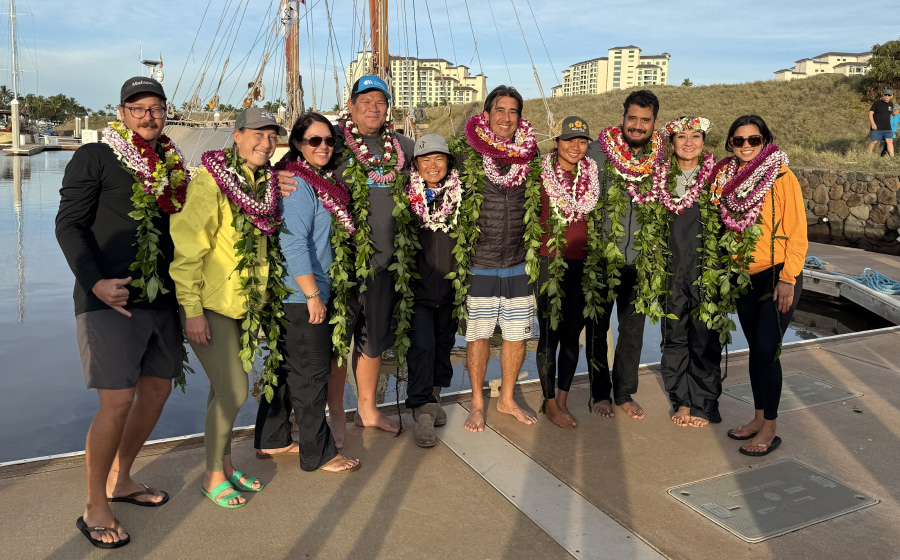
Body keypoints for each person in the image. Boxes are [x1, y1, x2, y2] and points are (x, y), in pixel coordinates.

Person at [57, 76, 187, 549]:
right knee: (116, 402)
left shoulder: (173, 162)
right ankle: (95, 504)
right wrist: (94, 281)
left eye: (156, 107)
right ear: (122, 113)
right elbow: (69, 224)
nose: (148, 116)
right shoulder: (95, 156)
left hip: (163, 299)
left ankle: (122, 478)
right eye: (138, 109)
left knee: (156, 391)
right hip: (108, 298)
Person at [170, 107, 290, 507]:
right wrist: (191, 310)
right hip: (210, 305)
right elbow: (187, 249)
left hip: (245, 306)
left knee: (221, 390)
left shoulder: (262, 183)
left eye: (272, 136)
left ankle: (223, 462)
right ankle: (211, 476)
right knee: (235, 391)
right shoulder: (210, 183)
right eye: (257, 133)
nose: (266, 142)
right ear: (236, 136)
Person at [253, 112, 360, 472]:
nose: (324, 146)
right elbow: (294, 245)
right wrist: (314, 295)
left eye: (329, 140)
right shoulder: (298, 187)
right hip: (301, 296)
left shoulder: (314, 181)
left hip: (298, 294)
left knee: (286, 371)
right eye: (314, 140)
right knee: (312, 377)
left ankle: (272, 439)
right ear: (298, 144)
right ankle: (318, 454)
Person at [714, 115, 808, 456]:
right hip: (744, 278)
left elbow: (797, 232)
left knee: (768, 349)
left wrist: (788, 278)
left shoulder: (781, 176)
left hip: (777, 275)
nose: (746, 147)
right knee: (756, 350)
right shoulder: (727, 179)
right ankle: (757, 418)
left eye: (753, 140)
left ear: (764, 141)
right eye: (738, 141)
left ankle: (770, 426)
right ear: (730, 143)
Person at [452, 85, 542, 432]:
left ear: (520, 118)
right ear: (486, 115)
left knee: (516, 336)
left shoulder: (530, 156)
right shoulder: (466, 154)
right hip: (480, 261)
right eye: (500, 110)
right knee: (477, 336)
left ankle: (505, 398)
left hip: (519, 261)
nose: (506, 118)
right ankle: (477, 403)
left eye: (513, 111)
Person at [584, 90, 667, 420]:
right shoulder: (596, 153)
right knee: (596, 330)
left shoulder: (662, 160)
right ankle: (599, 393)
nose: (637, 125)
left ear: (654, 123)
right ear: (623, 118)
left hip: (642, 263)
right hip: (603, 259)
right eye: (632, 118)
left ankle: (624, 392)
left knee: (633, 333)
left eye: (644, 120)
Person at [654, 117, 723, 427]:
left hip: (707, 271)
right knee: (675, 339)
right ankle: (682, 400)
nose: (689, 142)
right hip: (670, 272)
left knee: (706, 339)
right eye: (681, 136)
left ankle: (705, 402)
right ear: (672, 143)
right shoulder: (658, 178)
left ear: (704, 142)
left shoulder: (720, 178)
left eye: (696, 136)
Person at [535, 116, 598, 429]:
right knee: (550, 334)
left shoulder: (593, 175)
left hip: (584, 265)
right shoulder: (540, 174)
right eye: (569, 139)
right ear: (556, 141)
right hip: (550, 262)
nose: (576, 146)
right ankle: (548, 402)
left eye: (582, 141)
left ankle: (561, 399)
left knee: (574, 335)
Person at [404, 134, 461, 446]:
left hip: (450, 288)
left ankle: (433, 400)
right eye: (426, 160)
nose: (433, 165)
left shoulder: (460, 195)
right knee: (422, 347)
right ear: (416, 165)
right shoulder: (407, 196)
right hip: (418, 289)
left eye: (440, 159)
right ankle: (421, 411)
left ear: (449, 163)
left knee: (443, 346)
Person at [868, 89, 895, 157]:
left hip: (887, 127)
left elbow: (892, 114)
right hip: (877, 127)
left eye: (888, 95)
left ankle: (892, 158)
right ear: (883, 95)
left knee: (889, 141)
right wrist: (873, 124)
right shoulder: (877, 103)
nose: (886, 96)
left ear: (891, 96)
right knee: (874, 141)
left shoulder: (891, 104)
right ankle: (867, 156)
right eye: (885, 94)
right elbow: (870, 113)